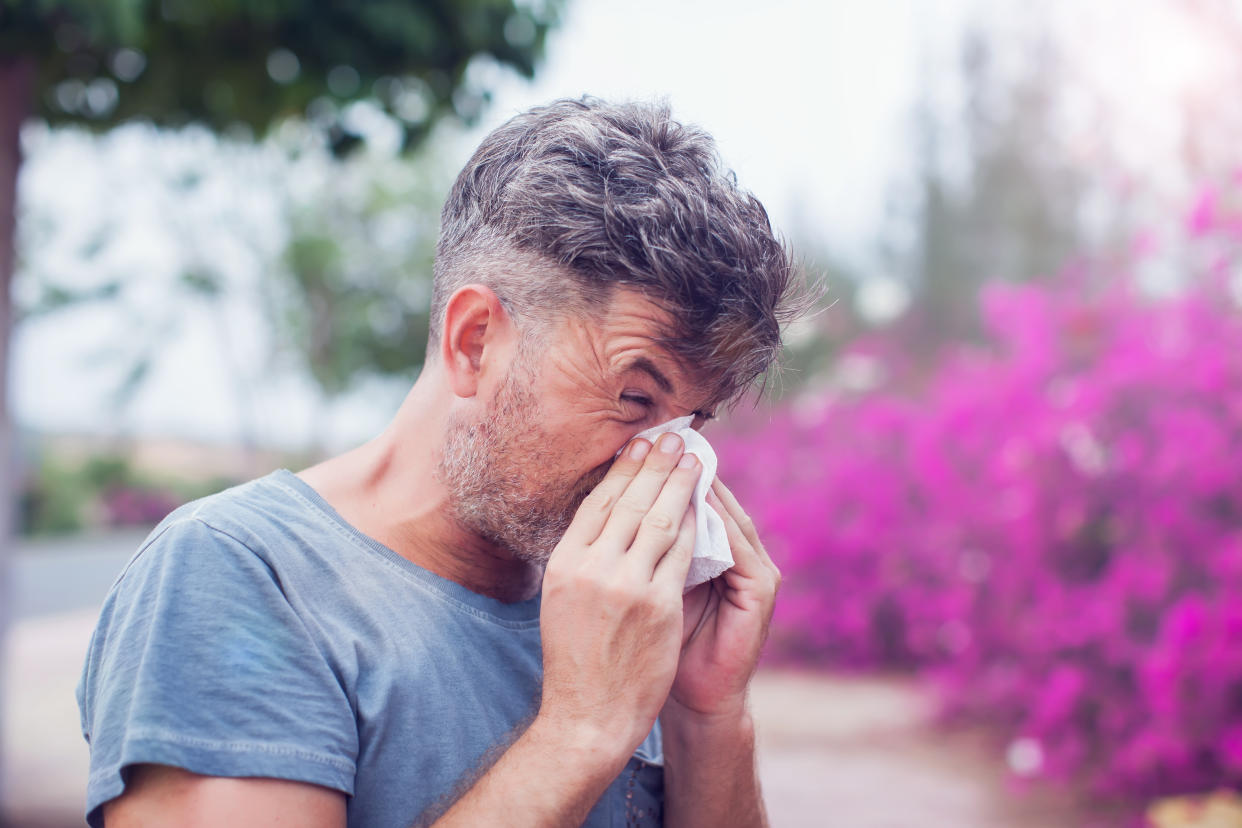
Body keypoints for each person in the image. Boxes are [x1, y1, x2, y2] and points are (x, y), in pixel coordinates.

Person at [77, 96, 803, 827]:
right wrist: (579, 732)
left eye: (692, 422)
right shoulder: (239, 574)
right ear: (475, 341)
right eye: (635, 397)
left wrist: (708, 718)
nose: (665, 463)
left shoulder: (625, 606)